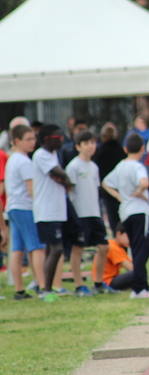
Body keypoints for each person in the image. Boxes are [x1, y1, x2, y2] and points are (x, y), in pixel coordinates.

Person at [102, 133, 149, 300]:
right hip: (140, 211)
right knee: (142, 251)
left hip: (126, 212)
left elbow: (106, 182)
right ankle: (140, 289)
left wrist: (120, 197)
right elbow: (144, 183)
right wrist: (139, 192)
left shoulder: (120, 166)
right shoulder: (137, 166)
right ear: (143, 148)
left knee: (136, 249)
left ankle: (141, 286)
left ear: (125, 149)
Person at [65, 130, 114, 295]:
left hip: (95, 214)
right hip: (80, 215)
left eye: (93, 142)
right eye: (86, 143)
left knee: (103, 247)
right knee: (78, 249)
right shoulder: (73, 166)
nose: (90, 146)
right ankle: (79, 286)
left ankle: (98, 283)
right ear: (78, 146)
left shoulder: (94, 167)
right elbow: (69, 191)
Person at [32, 124, 74, 300]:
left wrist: (65, 180)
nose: (61, 141)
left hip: (56, 209)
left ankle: (47, 288)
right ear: (47, 139)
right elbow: (60, 174)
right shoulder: (41, 155)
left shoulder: (53, 155)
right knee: (56, 249)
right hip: (46, 210)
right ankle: (46, 290)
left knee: (52, 249)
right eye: (58, 138)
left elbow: (61, 178)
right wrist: (66, 180)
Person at [5, 125, 46, 300]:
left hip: (13, 207)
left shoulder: (12, 159)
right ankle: (43, 286)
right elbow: (32, 191)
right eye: (28, 139)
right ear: (17, 141)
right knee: (37, 247)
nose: (32, 143)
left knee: (17, 249)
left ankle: (20, 289)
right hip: (25, 207)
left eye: (33, 138)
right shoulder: (24, 161)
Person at [93, 122, 127, 234]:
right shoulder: (122, 152)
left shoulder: (101, 153)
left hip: (108, 192)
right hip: (123, 191)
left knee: (113, 221)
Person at [94, 222, 133, 291]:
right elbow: (131, 268)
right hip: (107, 281)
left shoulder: (119, 247)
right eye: (129, 236)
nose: (132, 239)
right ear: (119, 234)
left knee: (138, 273)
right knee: (136, 273)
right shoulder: (113, 246)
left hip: (111, 279)